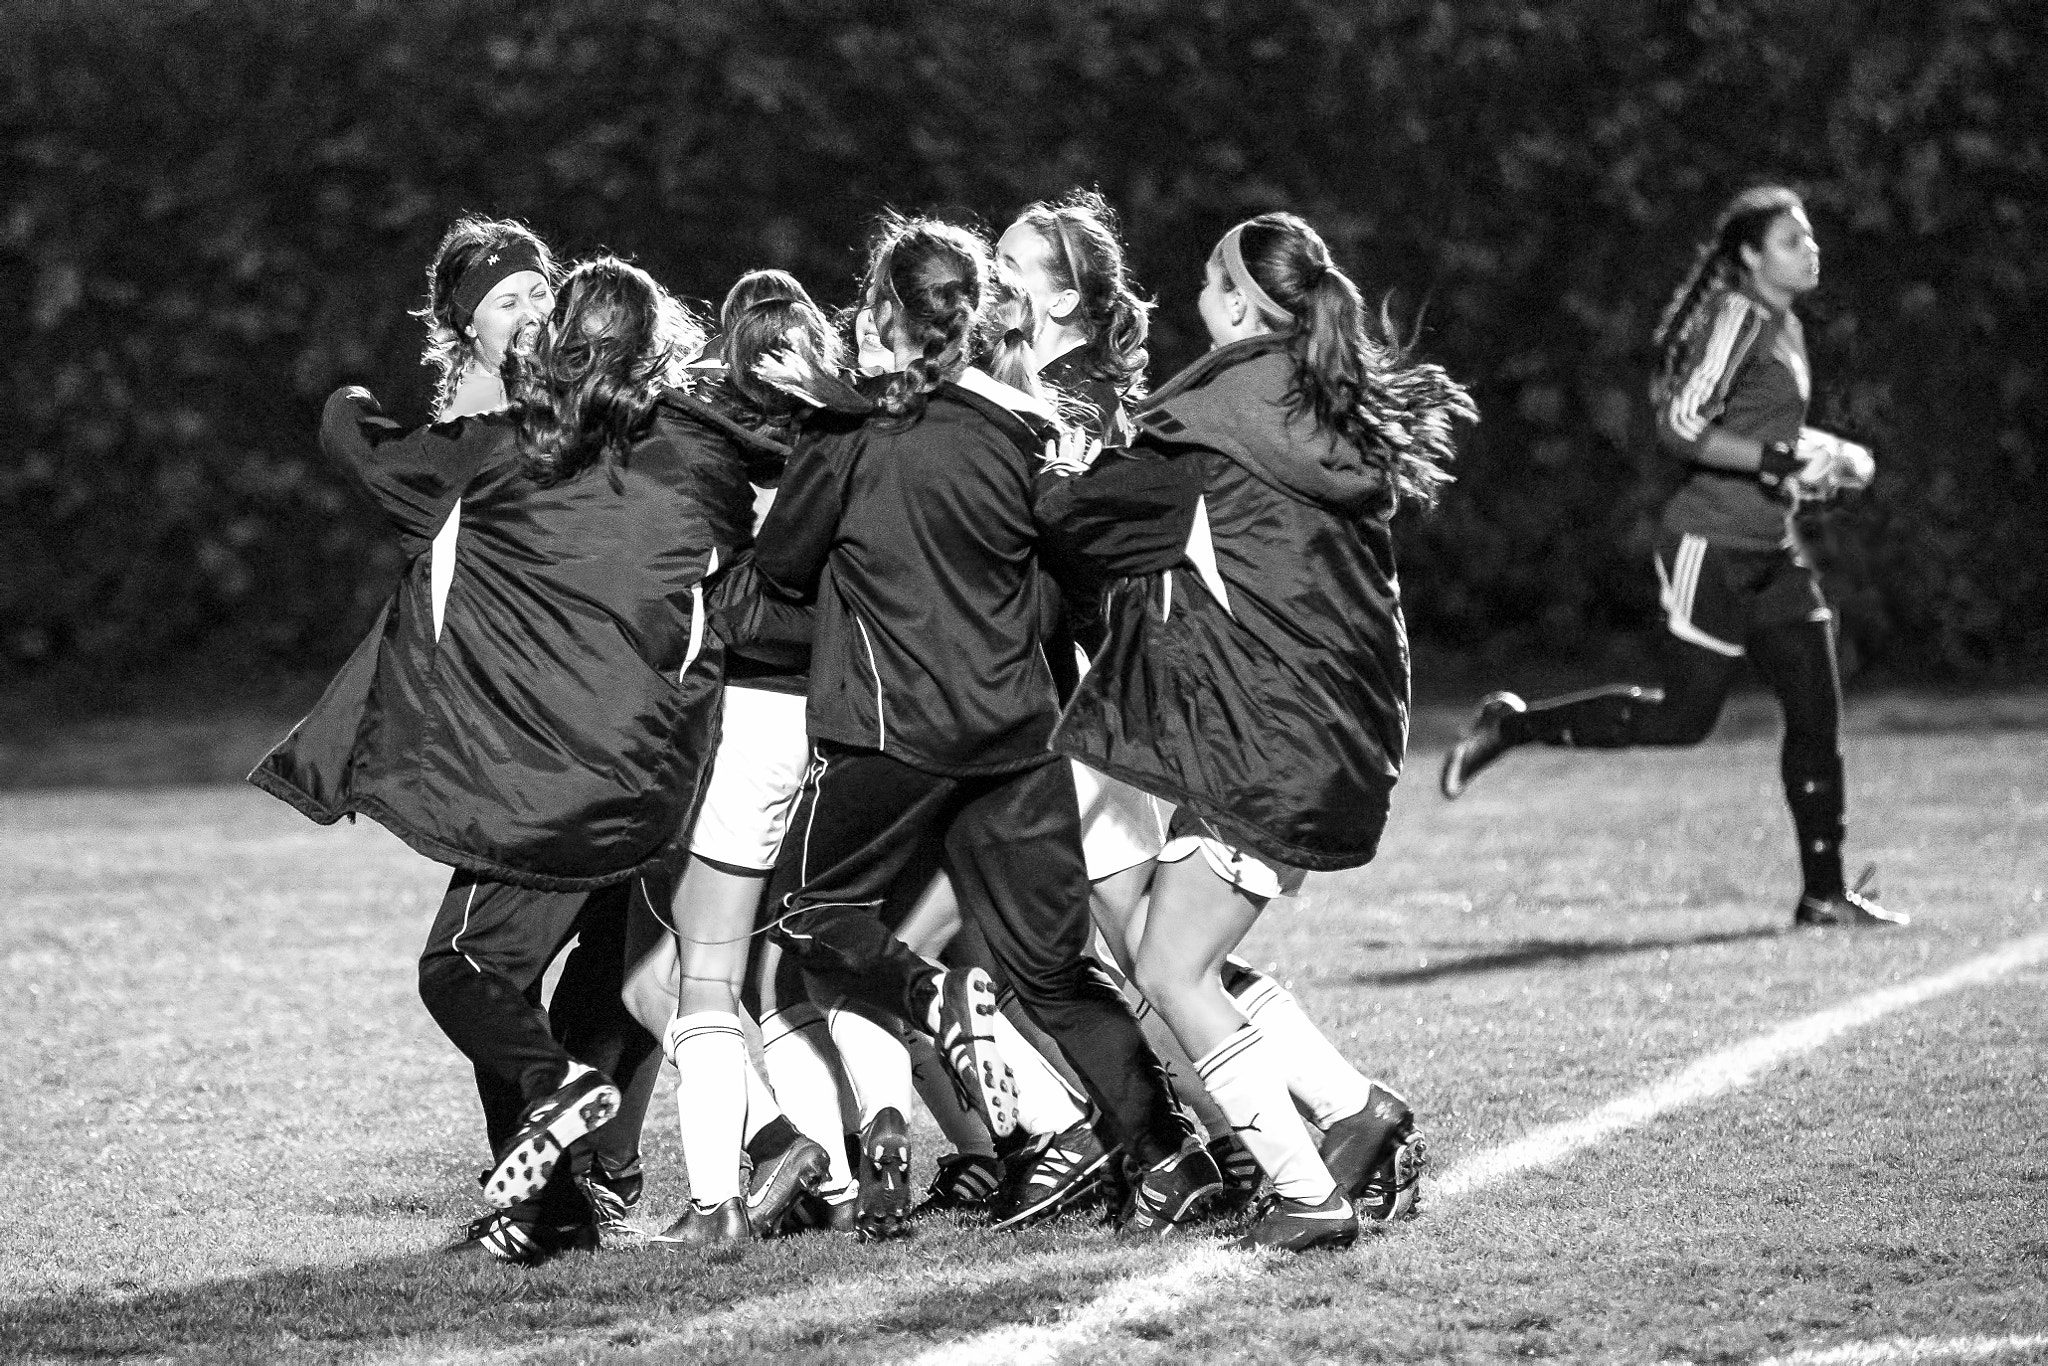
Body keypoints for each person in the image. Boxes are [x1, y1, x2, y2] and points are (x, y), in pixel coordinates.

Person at [251, 254, 748, 1265]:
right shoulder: (697, 446)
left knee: (470, 969)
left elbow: (358, 438)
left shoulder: (493, 447)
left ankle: (565, 1141)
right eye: (503, 297)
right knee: (606, 988)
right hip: (663, 774)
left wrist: (354, 395)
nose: (525, 309)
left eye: (538, 295)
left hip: (544, 779)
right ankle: (564, 1201)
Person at [743, 214, 1215, 1242]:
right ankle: (1166, 1158)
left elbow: (778, 566)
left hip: (890, 732)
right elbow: (1075, 576)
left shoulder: (848, 437)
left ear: (878, 315)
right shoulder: (1023, 431)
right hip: (1014, 732)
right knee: (1053, 967)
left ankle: (930, 1002)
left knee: (803, 914)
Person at [1037, 210, 1474, 1251]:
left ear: (1236, 306)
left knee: (1169, 973)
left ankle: (1303, 1188)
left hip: (1265, 741)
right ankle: (1355, 1113)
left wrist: (1051, 458)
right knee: (1166, 947)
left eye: (1204, 284)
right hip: (1314, 738)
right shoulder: (1320, 410)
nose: (1194, 301)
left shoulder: (1218, 426)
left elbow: (1070, 521)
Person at [1438, 184, 1903, 930]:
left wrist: (1829, 453)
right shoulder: (1738, 317)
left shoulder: (1784, 324)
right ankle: (1511, 726)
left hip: (1770, 550)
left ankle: (1824, 894)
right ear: (1750, 257)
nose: (1810, 249)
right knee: (1686, 719)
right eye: (1791, 240)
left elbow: (1763, 433)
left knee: (1816, 714)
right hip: (1708, 547)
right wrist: (1783, 463)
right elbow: (1681, 424)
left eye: (1810, 237)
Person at [610, 269, 850, 1245]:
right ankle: (820, 1169)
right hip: (837, 726)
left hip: (741, 719)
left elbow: (692, 598)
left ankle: (719, 1199)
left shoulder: (698, 452)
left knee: (696, 980)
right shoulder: (853, 442)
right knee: (773, 980)